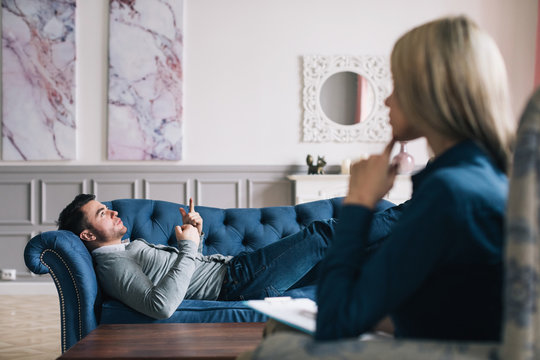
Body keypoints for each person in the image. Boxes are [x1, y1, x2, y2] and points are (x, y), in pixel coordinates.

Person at [315, 15, 515, 342]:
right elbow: (458, 313)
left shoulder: (449, 193)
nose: (386, 100)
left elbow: (334, 322)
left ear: (427, 90)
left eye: (396, 84)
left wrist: (359, 202)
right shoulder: (491, 179)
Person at [56, 193, 344, 320]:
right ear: (88, 235)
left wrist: (196, 234)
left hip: (238, 271)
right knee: (322, 233)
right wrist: (188, 246)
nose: (114, 212)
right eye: (102, 213)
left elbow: (192, 279)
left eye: (108, 207)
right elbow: (161, 307)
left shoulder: (124, 249)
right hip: (239, 281)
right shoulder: (112, 264)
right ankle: (392, 217)